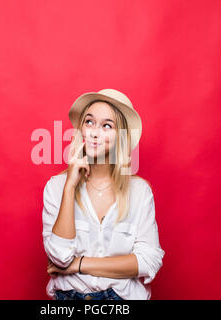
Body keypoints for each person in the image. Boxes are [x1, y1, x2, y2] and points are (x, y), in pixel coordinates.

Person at [42, 89, 165, 300]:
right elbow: (60, 257)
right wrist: (70, 187)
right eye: (89, 122)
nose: (94, 132)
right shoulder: (57, 187)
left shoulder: (139, 192)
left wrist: (78, 265)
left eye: (107, 126)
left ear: (121, 138)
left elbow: (148, 261)